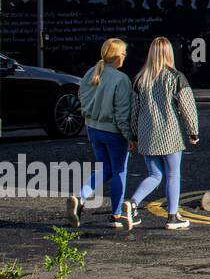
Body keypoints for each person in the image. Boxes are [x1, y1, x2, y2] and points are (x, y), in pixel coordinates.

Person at [122, 37, 199, 230]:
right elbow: (187, 108)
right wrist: (193, 132)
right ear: (169, 53)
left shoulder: (140, 79)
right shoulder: (176, 77)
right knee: (173, 174)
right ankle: (172, 217)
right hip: (170, 134)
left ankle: (132, 203)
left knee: (155, 174)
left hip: (147, 134)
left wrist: (133, 136)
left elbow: (135, 111)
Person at [67, 39, 135, 230]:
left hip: (93, 129)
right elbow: (122, 114)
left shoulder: (92, 71)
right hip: (113, 133)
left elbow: (82, 96)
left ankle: (80, 197)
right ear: (117, 55)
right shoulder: (121, 79)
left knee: (104, 168)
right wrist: (130, 136)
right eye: (123, 53)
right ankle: (116, 215)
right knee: (119, 170)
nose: (125, 56)